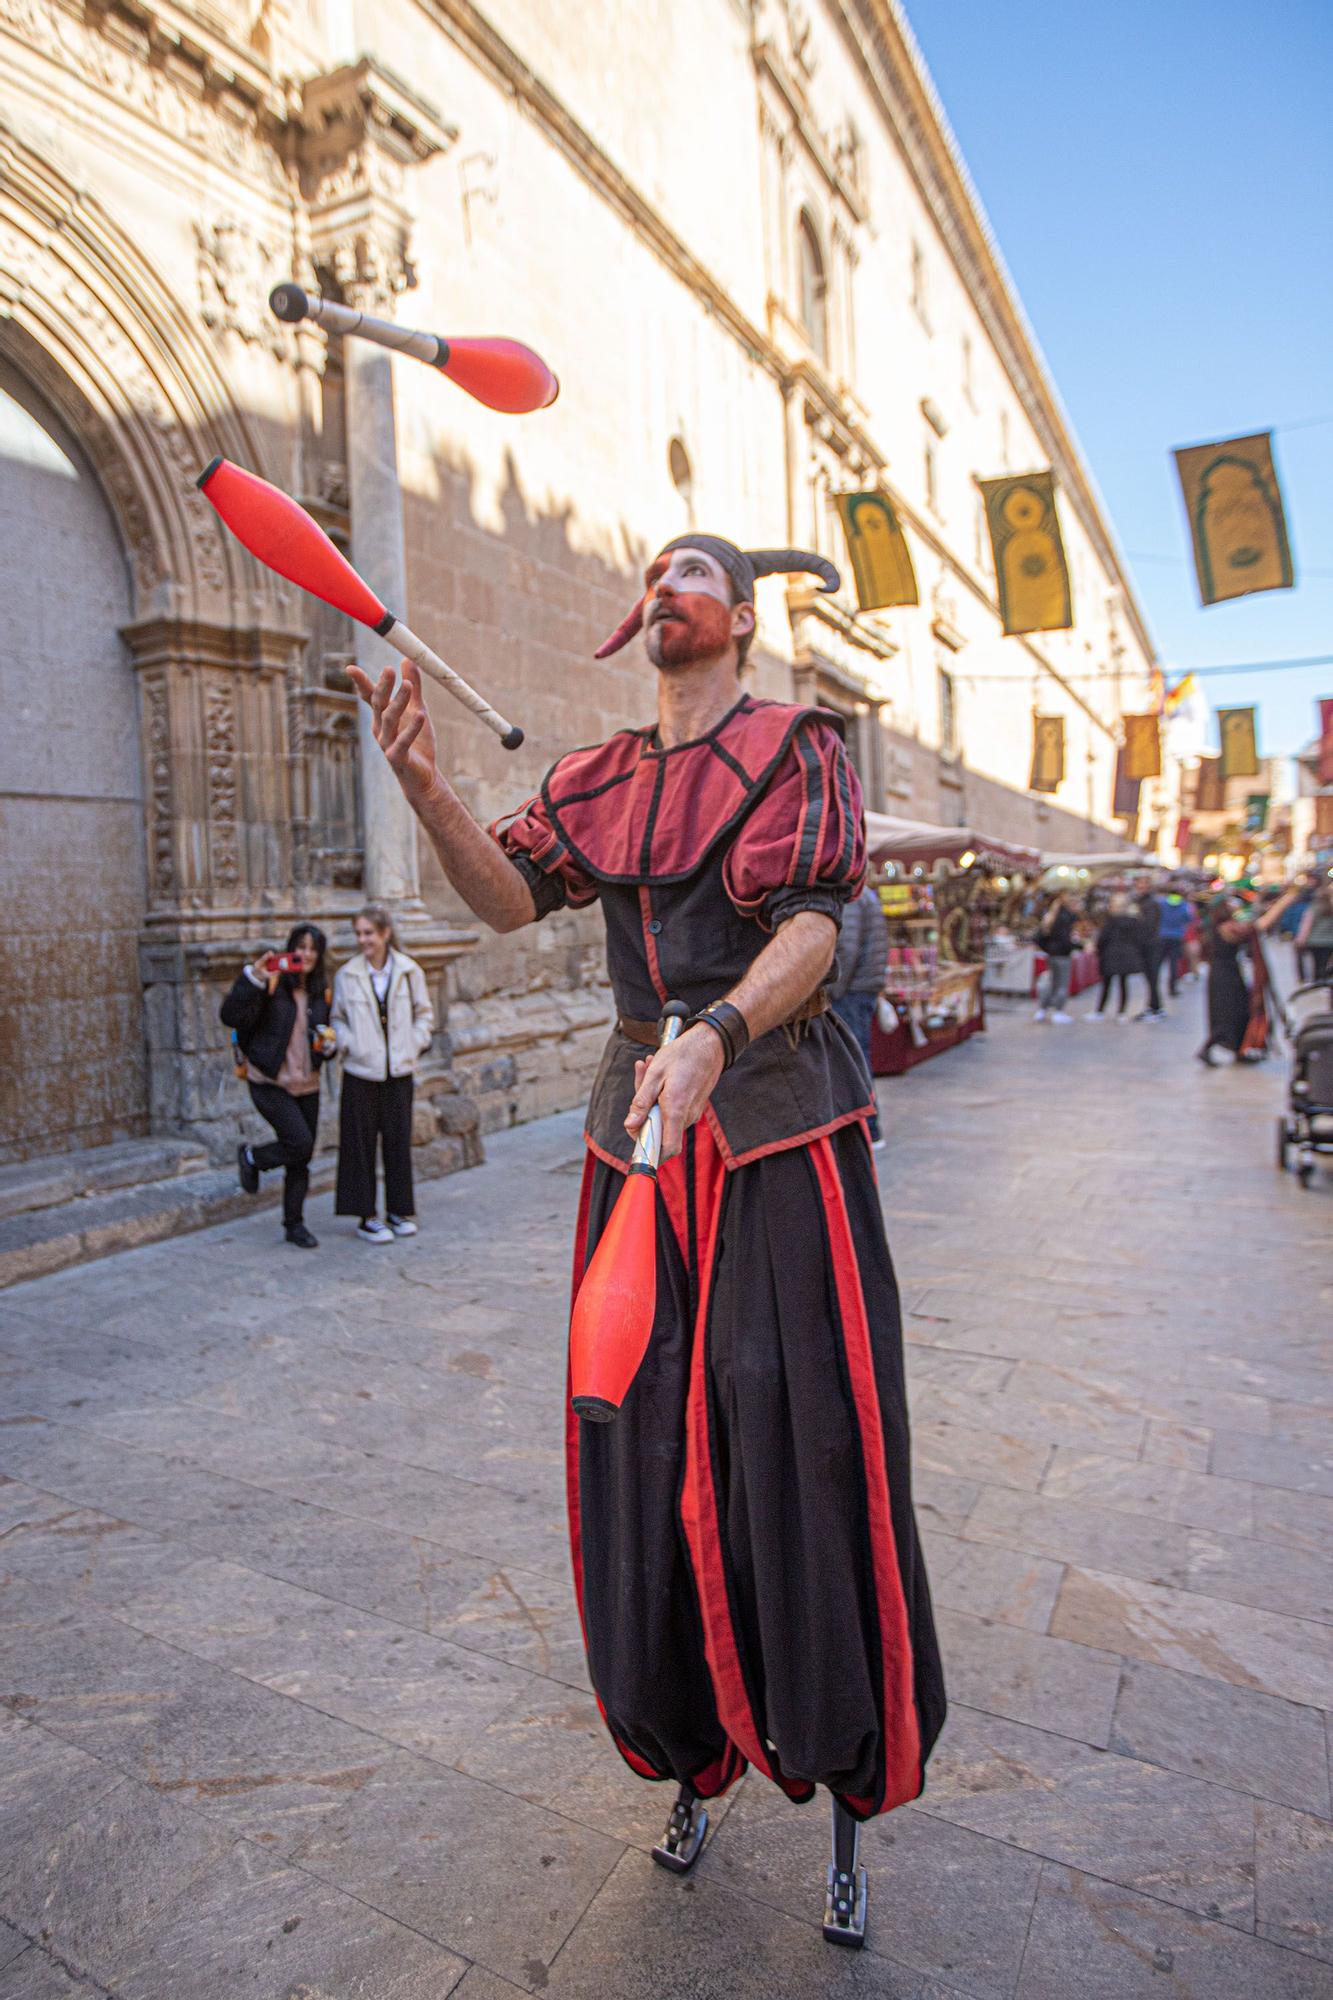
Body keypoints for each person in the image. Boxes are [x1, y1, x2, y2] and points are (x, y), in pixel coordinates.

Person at [349, 532, 945, 1949]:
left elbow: (812, 924)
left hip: (777, 1128)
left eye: (692, 573)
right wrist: (428, 790)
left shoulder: (800, 744)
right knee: (643, 1451)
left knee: (800, 1443)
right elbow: (502, 898)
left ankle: (843, 1787)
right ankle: (687, 1753)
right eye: (654, 572)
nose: (663, 585)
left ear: (738, 620)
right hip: (637, 1146)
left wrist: (723, 1033)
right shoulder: (598, 780)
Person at [222, 924, 334, 1248]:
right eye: (300, 947)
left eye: (313, 948)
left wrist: (330, 1047)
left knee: (301, 1156)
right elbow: (230, 1015)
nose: (306, 954)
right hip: (269, 1080)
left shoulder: (321, 992)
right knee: (300, 1143)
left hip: (307, 1083)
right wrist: (252, 978)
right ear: (290, 950)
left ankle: (294, 1224)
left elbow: (325, 1034)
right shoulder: (271, 985)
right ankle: (253, 1158)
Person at [332, 904, 436, 1243]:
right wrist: (351, 1043)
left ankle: (398, 1210)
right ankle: (365, 1215)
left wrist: (413, 1043)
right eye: (359, 933)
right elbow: (338, 1018)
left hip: (398, 1069)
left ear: (385, 934)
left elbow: (424, 1013)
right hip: (361, 1071)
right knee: (359, 1144)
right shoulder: (347, 974)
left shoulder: (408, 971)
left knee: (397, 1141)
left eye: (369, 933)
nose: (364, 940)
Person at [1198, 885, 1299, 1066]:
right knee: (1228, 1012)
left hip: (1226, 974)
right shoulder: (1227, 927)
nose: (1235, 904)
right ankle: (1214, 1046)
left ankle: (1238, 1047)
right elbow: (1259, 926)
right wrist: (1284, 902)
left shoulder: (1221, 926)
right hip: (1225, 977)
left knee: (1237, 1010)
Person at [828, 876, 889, 1144]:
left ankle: (869, 1129)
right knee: (857, 1057)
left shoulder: (853, 896)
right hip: (861, 988)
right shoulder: (866, 894)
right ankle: (866, 1128)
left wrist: (833, 991)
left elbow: (846, 949)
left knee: (854, 1060)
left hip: (851, 991)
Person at [1091, 894, 1141, 1019]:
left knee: (1107, 984)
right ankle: (1122, 1012)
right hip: (1125, 956)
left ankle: (1100, 1011)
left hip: (1110, 956)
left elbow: (1102, 939)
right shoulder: (1133, 922)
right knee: (1123, 984)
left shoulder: (1110, 922)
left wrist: (1098, 949)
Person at [1033, 891, 1077, 1023]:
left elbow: (1039, 937)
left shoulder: (1051, 916)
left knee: (1051, 982)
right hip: (1062, 955)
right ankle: (1058, 1011)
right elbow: (1065, 939)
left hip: (1052, 955)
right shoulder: (1065, 917)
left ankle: (1042, 1009)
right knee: (1061, 984)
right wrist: (1074, 946)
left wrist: (1048, 949)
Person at [1132, 882, 1164, 1020]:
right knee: (1150, 978)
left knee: (1152, 977)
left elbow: (1148, 925)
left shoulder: (1149, 904)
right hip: (1149, 945)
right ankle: (1153, 1005)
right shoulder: (1145, 903)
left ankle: (1155, 1007)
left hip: (1150, 946)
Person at [1153, 887, 1192, 1001]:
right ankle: (1172, 987)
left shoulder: (1162, 903)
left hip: (1162, 935)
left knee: (1158, 963)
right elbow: (1188, 919)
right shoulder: (1184, 905)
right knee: (1173, 963)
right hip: (1176, 936)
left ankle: (1155, 985)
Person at [1295, 881, 1333, 987]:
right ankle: (1324, 979)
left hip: (1314, 941)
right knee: (1325, 963)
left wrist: (1301, 939)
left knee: (1316, 962)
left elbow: (1307, 925)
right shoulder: (1331, 908)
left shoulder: (1314, 908)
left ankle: (1317, 982)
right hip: (1329, 941)